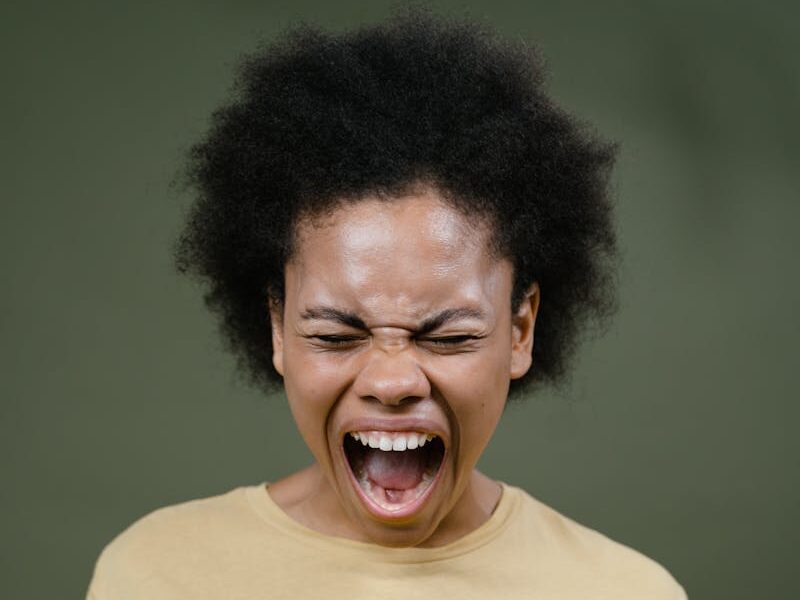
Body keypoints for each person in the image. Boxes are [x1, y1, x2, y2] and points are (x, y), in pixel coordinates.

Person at [86, 9, 687, 599]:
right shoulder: (154, 573)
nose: (393, 380)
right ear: (276, 327)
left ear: (521, 329)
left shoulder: (624, 590)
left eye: (449, 337)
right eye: (335, 336)